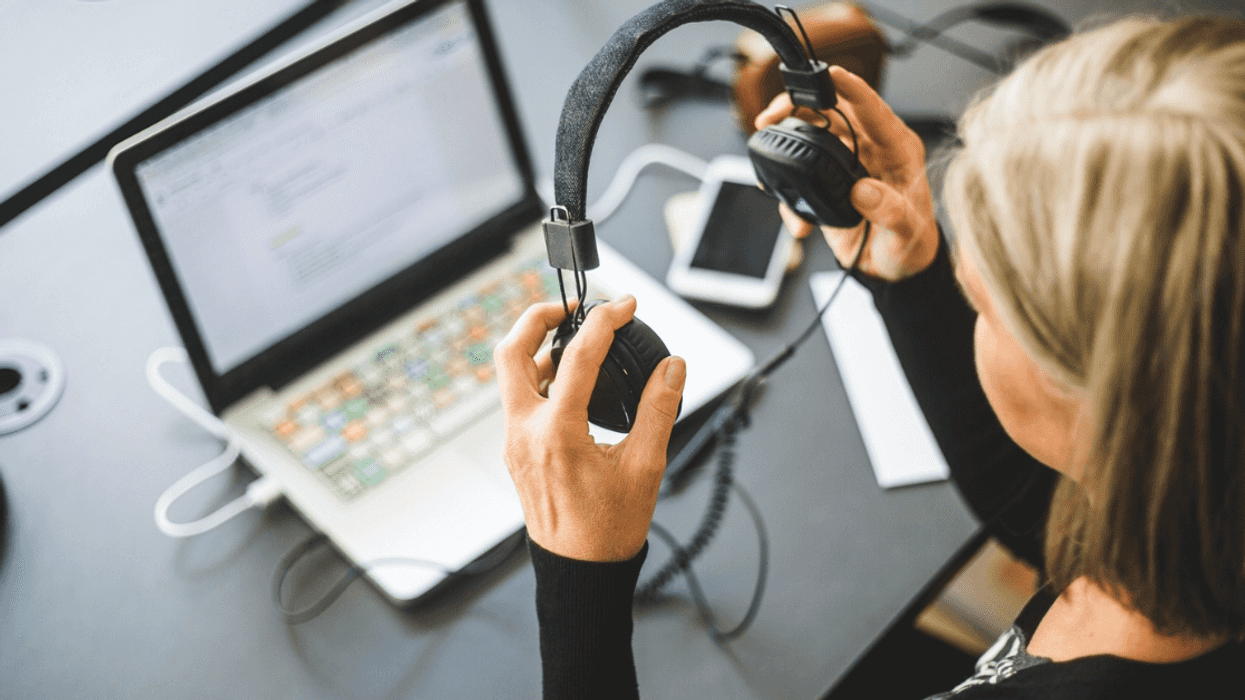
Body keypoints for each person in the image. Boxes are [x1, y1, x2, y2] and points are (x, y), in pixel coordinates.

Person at [493, 15, 1245, 699]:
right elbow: (1044, 512)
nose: (964, 299)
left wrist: (578, 583)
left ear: (1104, 405)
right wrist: (910, 274)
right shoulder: (1195, 515)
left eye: (978, 303)